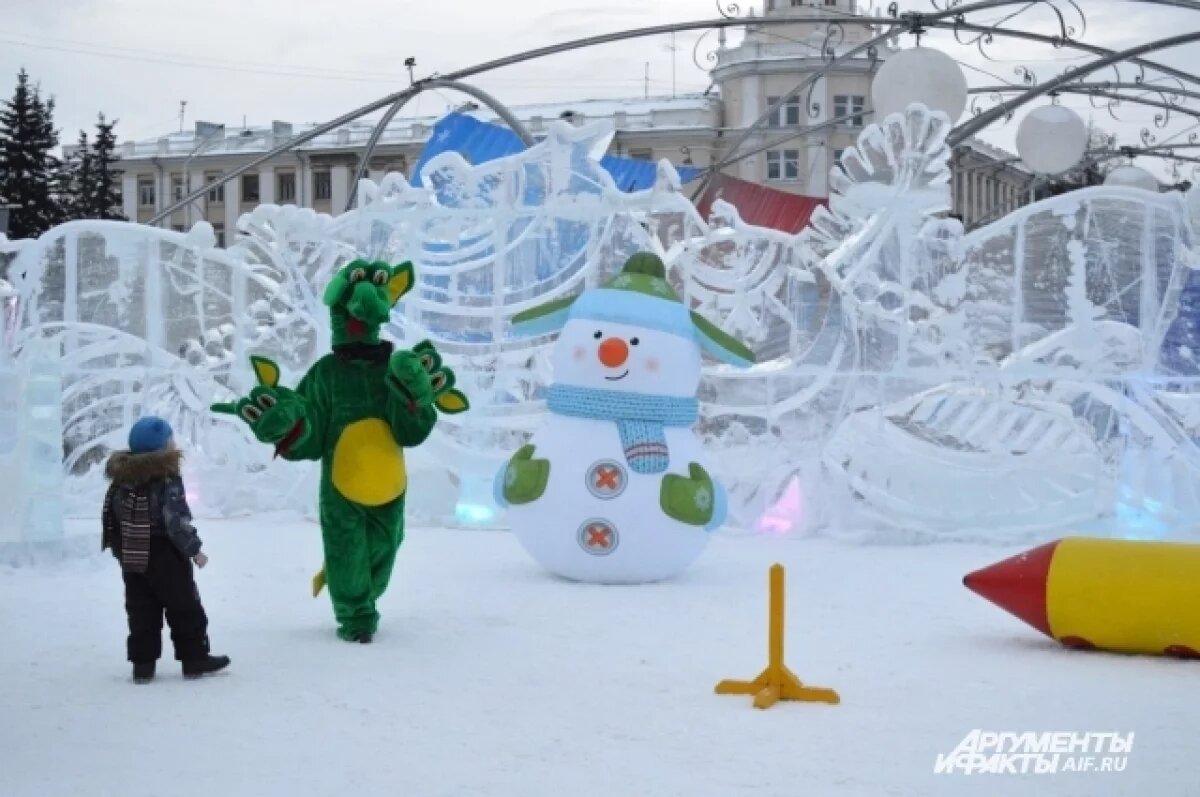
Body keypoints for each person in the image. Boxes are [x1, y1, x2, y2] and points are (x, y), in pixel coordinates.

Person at [101, 416, 230, 683]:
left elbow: (111, 519)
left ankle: (143, 665)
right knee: (184, 607)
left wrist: (120, 552)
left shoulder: (121, 480)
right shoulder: (166, 478)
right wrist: (195, 550)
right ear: (161, 447)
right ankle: (194, 658)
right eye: (170, 439)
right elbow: (175, 521)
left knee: (141, 610)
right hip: (165, 554)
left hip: (133, 556)